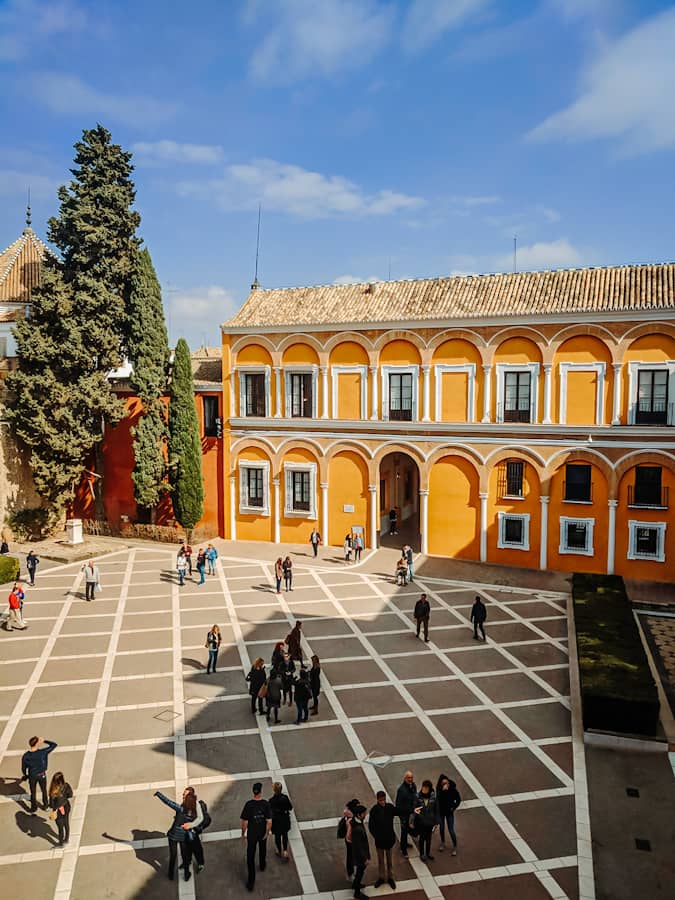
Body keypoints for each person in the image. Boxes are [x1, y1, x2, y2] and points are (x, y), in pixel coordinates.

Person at [154, 787, 204, 881]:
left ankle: (170, 874)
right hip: (183, 837)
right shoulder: (194, 810)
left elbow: (168, 802)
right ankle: (186, 874)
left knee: (173, 855)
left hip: (173, 836)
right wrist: (190, 825)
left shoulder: (181, 808)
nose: (183, 797)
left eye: (185, 795)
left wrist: (159, 794)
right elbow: (200, 818)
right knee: (184, 856)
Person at [240, 782, 272, 891]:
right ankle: (262, 865)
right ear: (261, 791)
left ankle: (251, 882)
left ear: (253, 792)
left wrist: (243, 833)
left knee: (250, 856)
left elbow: (245, 822)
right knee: (263, 849)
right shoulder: (266, 804)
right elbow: (269, 821)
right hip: (262, 832)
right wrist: (267, 832)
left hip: (252, 834)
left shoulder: (248, 805)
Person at [368, 790, 397, 890]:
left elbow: (398, 811)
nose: (383, 802)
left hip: (389, 840)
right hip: (380, 841)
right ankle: (381, 877)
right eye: (381, 800)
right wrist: (377, 836)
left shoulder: (390, 808)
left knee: (389, 861)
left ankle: (390, 877)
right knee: (381, 861)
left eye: (384, 800)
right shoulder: (374, 810)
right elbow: (371, 826)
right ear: (377, 800)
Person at [21, 736, 57, 812]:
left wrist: (25, 775)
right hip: (42, 775)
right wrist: (44, 741)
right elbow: (54, 745)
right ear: (37, 743)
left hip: (32, 775)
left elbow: (24, 768)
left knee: (33, 792)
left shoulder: (26, 756)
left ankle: (33, 808)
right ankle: (45, 806)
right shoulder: (43, 752)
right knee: (44, 790)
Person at [436, 774, 461, 854]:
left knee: (451, 830)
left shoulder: (453, 789)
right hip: (441, 812)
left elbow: (458, 799)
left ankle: (455, 846)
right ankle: (443, 842)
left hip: (449, 812)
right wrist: (443, 792)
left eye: (446, 783)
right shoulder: (439, 790)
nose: (445, 785)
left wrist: (453, 807)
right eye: (443, 783)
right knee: (442, 828)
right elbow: (439, 800)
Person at [414, 779, 438, 862]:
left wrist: (436, 821)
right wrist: (416, 813)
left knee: (428, 838)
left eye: (426, 788)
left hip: (430, 821)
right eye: (423, 787)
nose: (424, 790)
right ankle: (422, 854)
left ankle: (427, 853)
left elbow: (436, 809)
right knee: (422, 838)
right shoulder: (418, 796)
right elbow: (415, 808)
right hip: (421, 821)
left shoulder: (433, 797)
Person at [395, 770, 417, 858]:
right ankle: (403, 849)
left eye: (411, 777)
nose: (410, 779)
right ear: (405, 778)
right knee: (404, 832)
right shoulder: (401, 790)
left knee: (408, 830)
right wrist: (402, 816)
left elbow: (415, 796)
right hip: (404, 814)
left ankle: (405, 844)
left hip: (411, 813)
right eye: (408, 778)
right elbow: (398, 804)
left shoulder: (413, 786)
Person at [350, 804, 370, 899]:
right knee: (359, 873)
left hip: (359, 854)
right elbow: (358, 847)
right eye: (364, 813)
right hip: (360, 856)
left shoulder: (356, 822)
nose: (365, 814)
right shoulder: (357, 829)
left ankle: (355, 884)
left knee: (359, 872)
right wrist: (365, 858)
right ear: (359, 815)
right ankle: (357, 892)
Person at [48, 771, 73, 847]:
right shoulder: (66, 786)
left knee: (60, 826)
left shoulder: (53, 792)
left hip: (58, 810)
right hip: (66, 806)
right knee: (66, 823)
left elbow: (52, 805)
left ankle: (61, 843)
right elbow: (70, 795)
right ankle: (66, 839)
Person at [339, 798, 361, 882]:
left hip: (350, 839)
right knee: (350, 856)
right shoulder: (351, 817)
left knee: (351, 856)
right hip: (351, 840)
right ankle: (350, 873)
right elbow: (349, 833)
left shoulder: (349, 813)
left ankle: (351, 872)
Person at [269, 782, 293, 859]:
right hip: (284, 819)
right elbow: (290, 807)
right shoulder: (285, 798)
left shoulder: (271, 800)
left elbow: (269, 811)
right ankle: (285, 850)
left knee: (277, 836)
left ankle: (279, 850)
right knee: (285, 835)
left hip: (276, 821)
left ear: (274, 790)